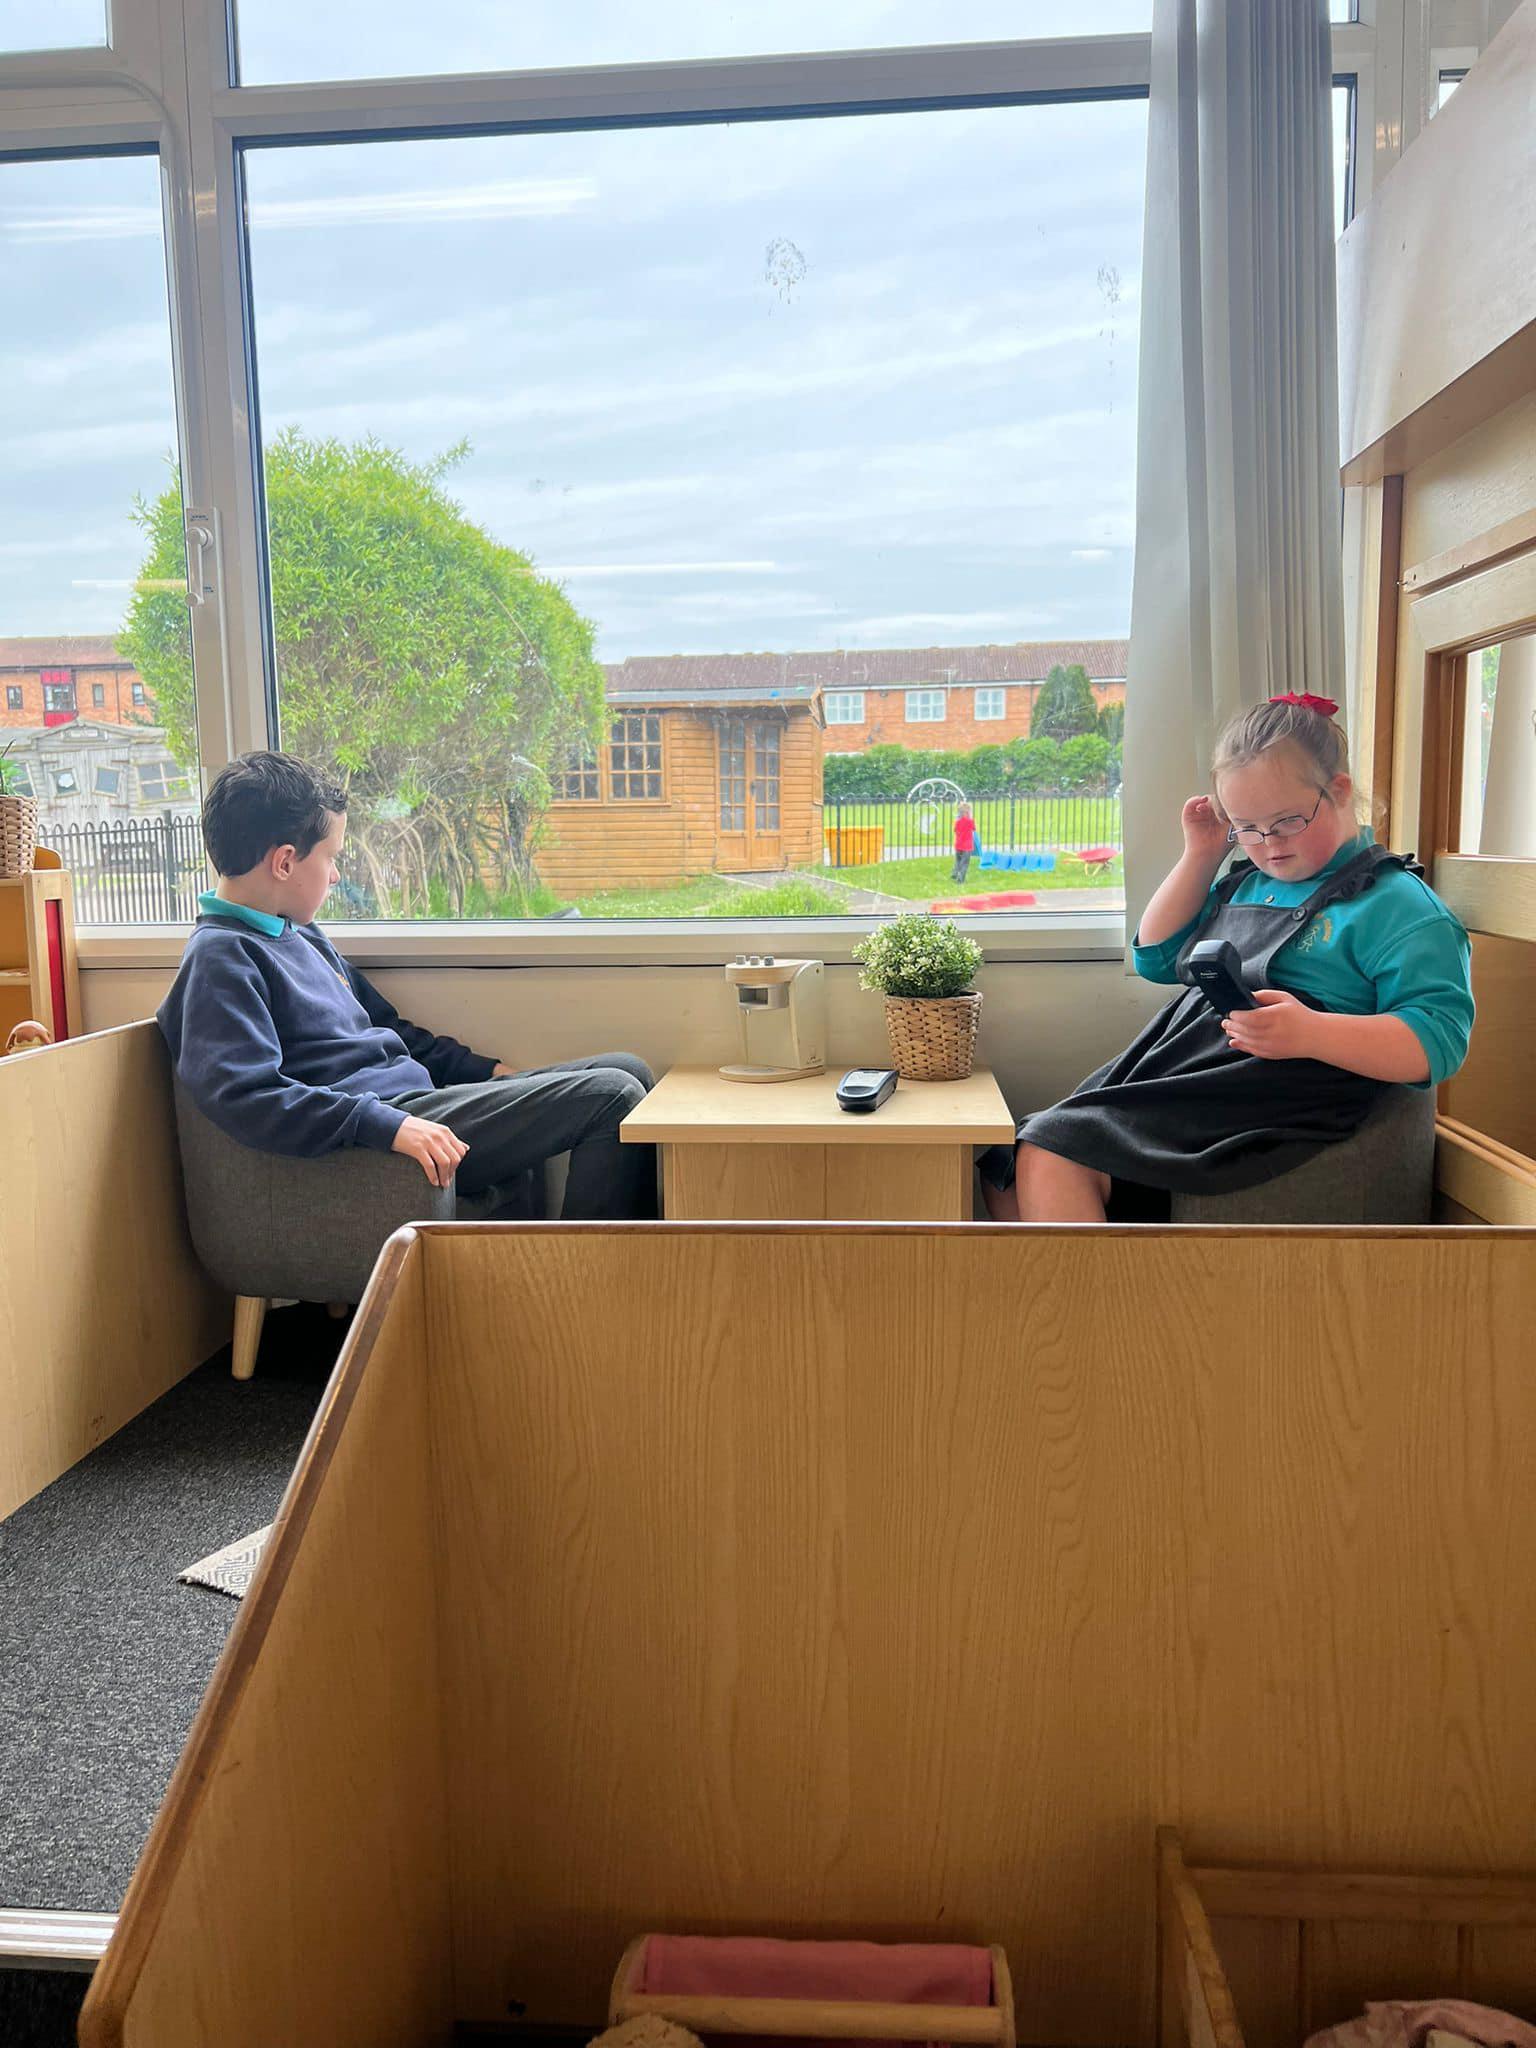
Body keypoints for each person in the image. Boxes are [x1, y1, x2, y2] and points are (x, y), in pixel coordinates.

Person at [979, 692, 1474, 1223]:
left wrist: (1312, 1032)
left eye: (1286, 821)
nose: (1269, 844)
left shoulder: (1397, 905)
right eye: (1247, 828)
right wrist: (1202, 854)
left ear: (1338, 791)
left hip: (1272, 1094)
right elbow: (1156, 956)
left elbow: (1438, 1041)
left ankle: (1097, 1281)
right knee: (1006, 1166)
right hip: (1191, 1070)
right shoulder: (1249, 883)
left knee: (1053, 1153)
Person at [158, 752, 657, 1220]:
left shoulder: (300, 934)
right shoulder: (220, 958)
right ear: (285, 862)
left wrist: (485, 1071)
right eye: (330, 858)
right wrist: (384, 1124)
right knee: (612, 1097)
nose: (335, 876)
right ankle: (590, 1280)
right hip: (389, 1122)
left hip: (418, 1099)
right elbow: (246, 1096)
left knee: (628, 1068)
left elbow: (388, 1029)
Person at [951, 803, 979, 882]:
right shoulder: (970, 821)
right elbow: (974, 829)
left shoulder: (958, 821)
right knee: (965, 863)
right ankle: (960, 879)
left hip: (958, 845)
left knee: (957, 861)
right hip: (967, 847)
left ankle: (955, 872)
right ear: (968, 812)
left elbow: (955, 830)